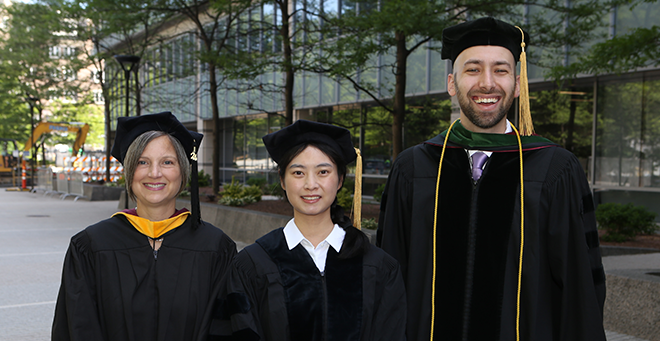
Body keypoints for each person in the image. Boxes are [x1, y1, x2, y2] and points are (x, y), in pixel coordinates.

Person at [377, 17, 606, 341]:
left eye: (500, 70)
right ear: (452, 83)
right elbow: (388, 282)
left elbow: (581, 290)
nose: (487, 83)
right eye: (472, 69)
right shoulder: (413, 169)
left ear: (516, 82)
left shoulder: (554, 170)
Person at [209, 120, 406, 340]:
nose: (311, 184)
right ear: (282, 181)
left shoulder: (379, 267)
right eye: (298, 173)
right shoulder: (251, 265)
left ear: (340, 180)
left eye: (323, 172)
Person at [51, 112, 237, 341]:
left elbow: (227, 328)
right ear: (129, 172)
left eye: (167, 162)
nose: (154, 173)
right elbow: (77, 327)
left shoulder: (216, 248)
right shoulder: (91, 246)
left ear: (183, 171)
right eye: (142, 162)